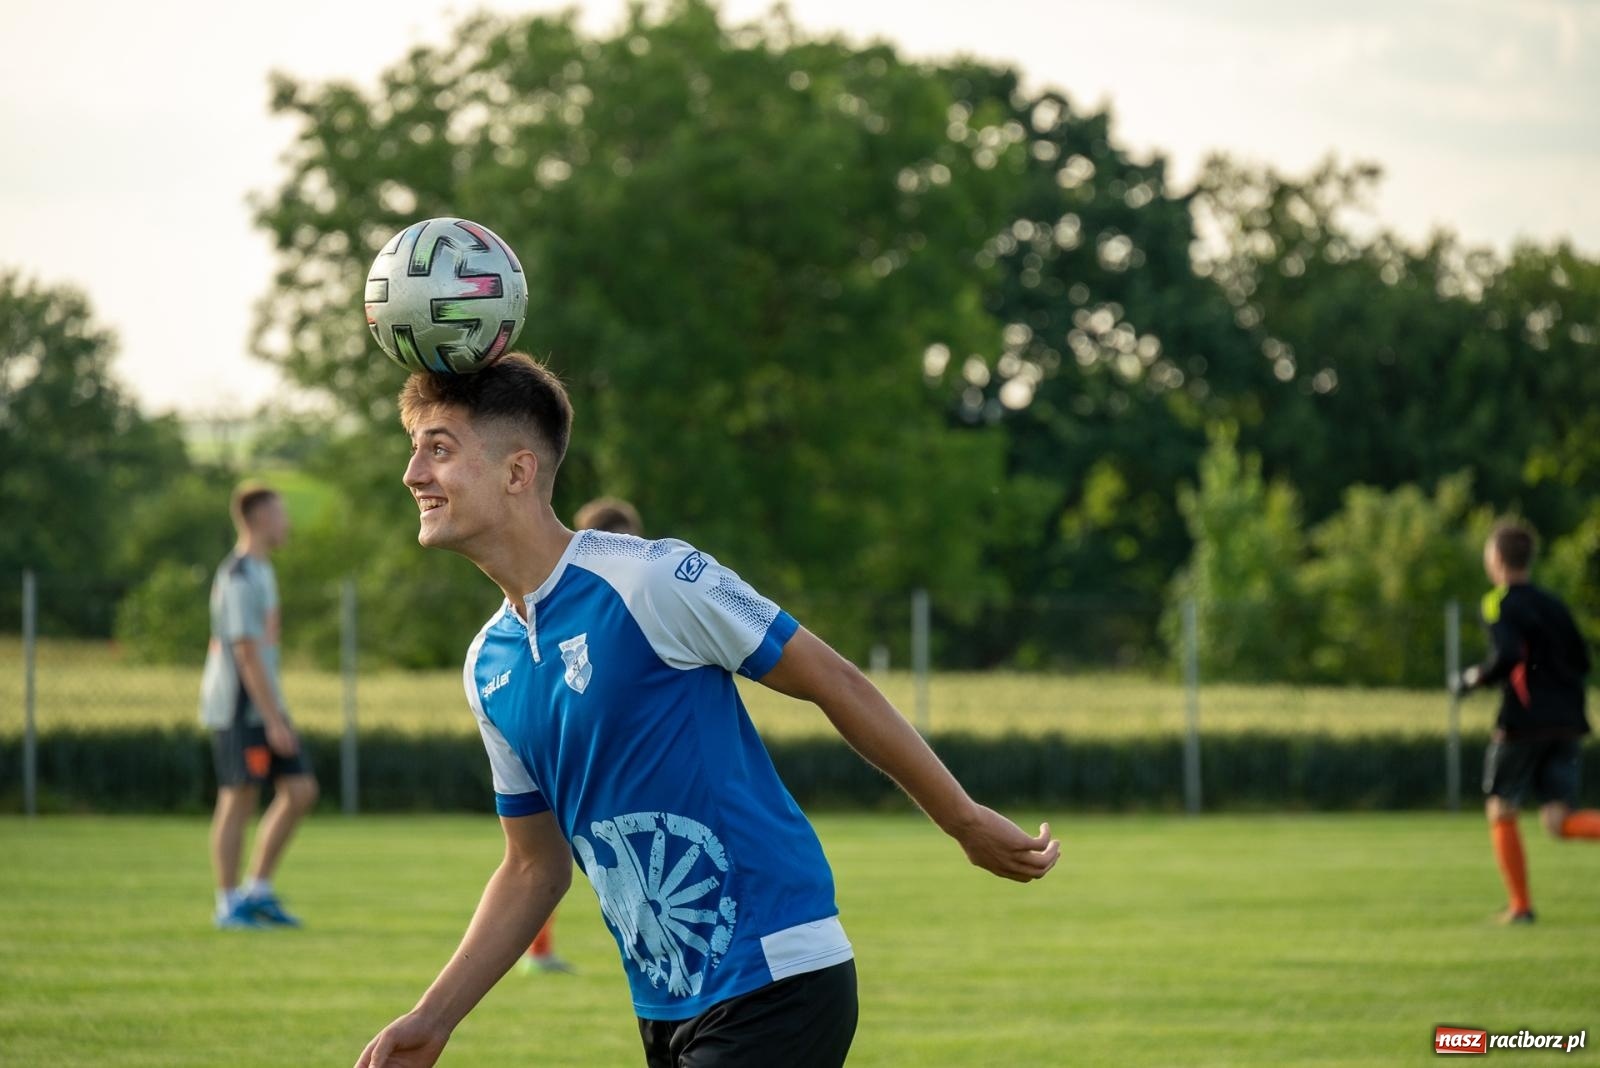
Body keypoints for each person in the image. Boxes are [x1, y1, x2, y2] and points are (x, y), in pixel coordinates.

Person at [356, 354, 1058, 1068]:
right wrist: (434, 1018)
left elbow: (834, 680)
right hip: (664, 1004)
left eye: (438, 449)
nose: (413, 473)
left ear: (518, 472)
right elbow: (534, 868)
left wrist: (963, 820)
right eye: (414, 450)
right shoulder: (488, 665)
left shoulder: (650, 578)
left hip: (778, 975)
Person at [518, 494, 645, 977]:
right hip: (572, 758)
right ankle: (539, 951)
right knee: (545, 862)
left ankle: (540, 951)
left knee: (549, 861)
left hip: (570, 755)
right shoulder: (579, 606)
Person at [1452, 519, 1596, 924]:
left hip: (1524, 722)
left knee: (1501, 808)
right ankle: (1520, 906)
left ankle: (1520, 906)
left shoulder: (1499, 602)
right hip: (1568, 722)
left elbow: (1509, 655)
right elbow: (1583, 661)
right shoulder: (1555, 605)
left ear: (1496, 559)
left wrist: (1472, 678)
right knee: (1559, 821)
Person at [198, 483, 319, 929]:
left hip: (265, 705)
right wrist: (272, 719)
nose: (286, 523)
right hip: (239, 708)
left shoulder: (264, 572)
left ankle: (258, 891)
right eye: (279, 515)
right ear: (256, 520)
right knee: (238, 799)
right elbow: (245, 653)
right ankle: (228, 904)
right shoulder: (238, 576)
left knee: (301, 790)